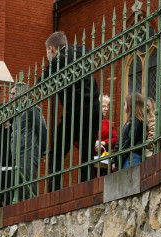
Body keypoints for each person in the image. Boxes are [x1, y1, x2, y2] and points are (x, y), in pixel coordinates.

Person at [43, 31, 102, 190]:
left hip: (75, 111)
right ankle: (85, 187)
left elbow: (42, 84)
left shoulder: (57, 61)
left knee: (56, 152)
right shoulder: (84, 50)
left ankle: (54, 188)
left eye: (47, 53)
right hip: (94, 110)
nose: (48, 56)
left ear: (51, 49)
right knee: (86, 153)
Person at [9, 81, 48, 203]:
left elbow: (42, 129)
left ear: (23, 93)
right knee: (19, 186)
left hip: (29, 152)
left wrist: (43, 152)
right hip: (17, 154)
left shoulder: (32, 108)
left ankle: (33, 208)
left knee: (28, 184)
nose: (11, 97)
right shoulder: (16, 112)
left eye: (14, 93)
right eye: (11, 94)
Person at [116, 93, 152, 169]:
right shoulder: (130, 122)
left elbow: (130, 141)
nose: (123, 106)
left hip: (131, 156)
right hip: (128, 156)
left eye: (124, 104)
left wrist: (120, 156)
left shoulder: (136, 121)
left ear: (130, 105)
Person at [94, 95, 120, 176]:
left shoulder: (108, 123)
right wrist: (92, 144)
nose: (106, 109)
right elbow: (77, 141)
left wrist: (104, 143)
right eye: (103, 106)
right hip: (89, 159)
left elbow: (116, 139)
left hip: (104, 162)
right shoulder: (88, 122)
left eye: (107, 106)